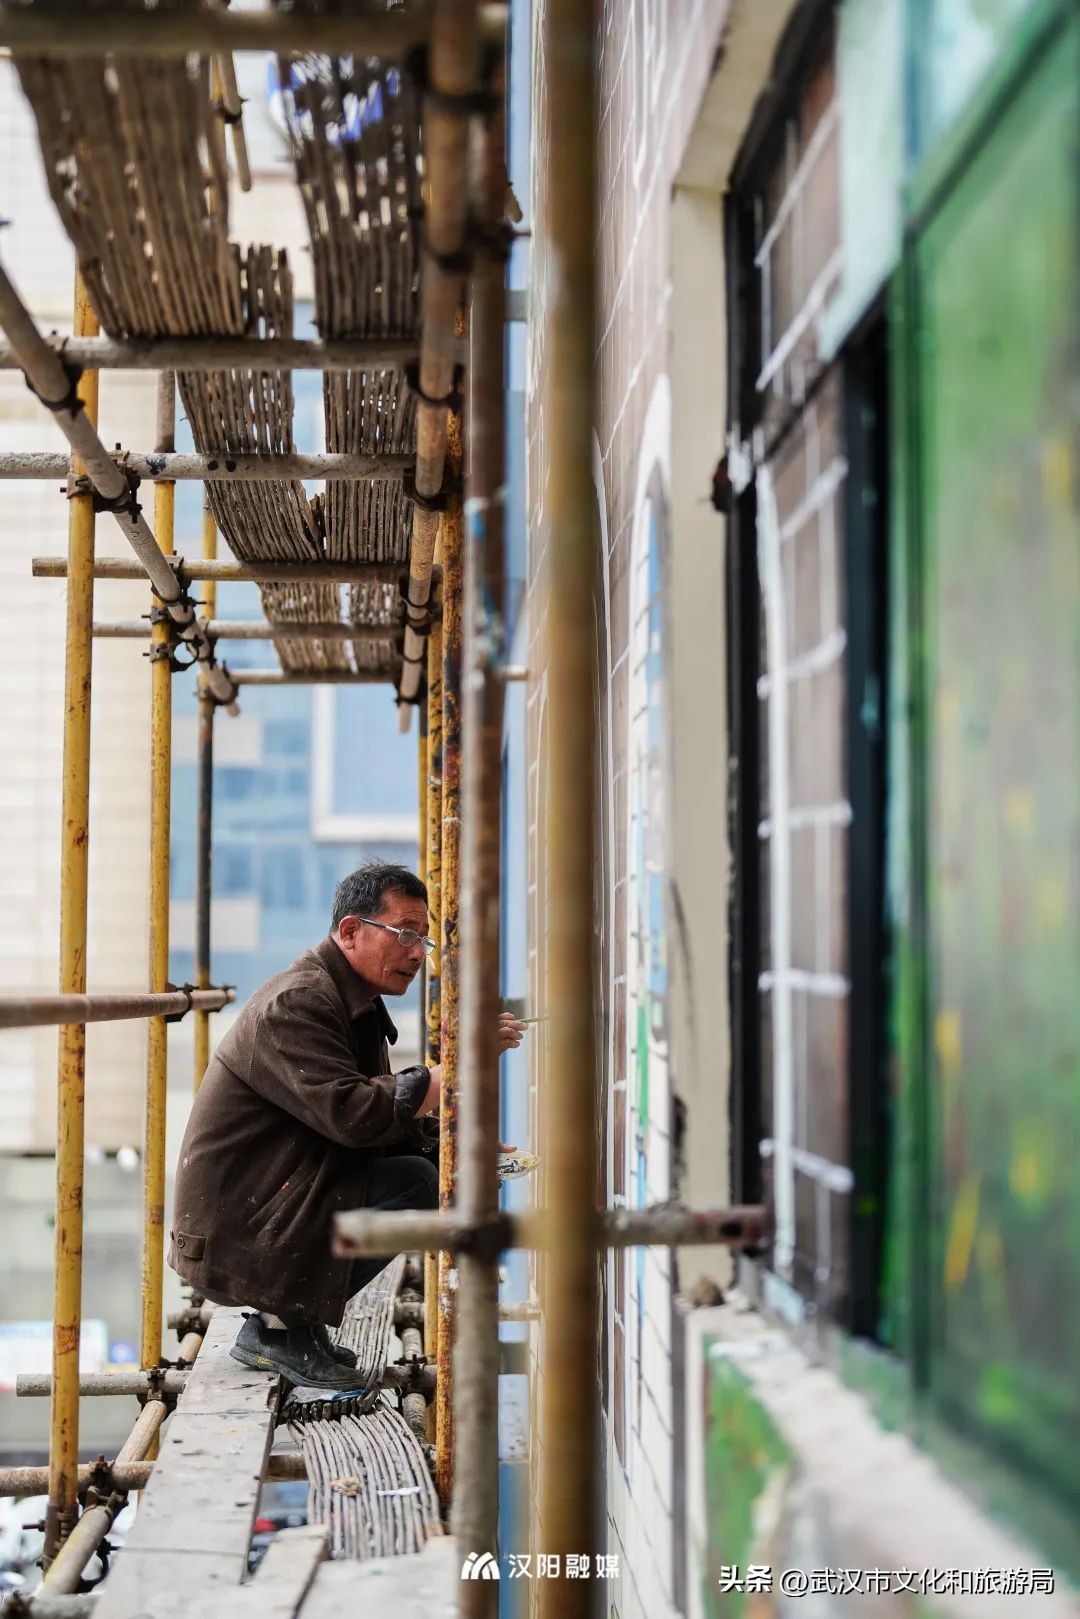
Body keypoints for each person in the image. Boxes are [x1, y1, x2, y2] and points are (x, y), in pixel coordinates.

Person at [168, 859, 524, 1389]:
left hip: (271, 1203)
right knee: (419, 1185)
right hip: (237, 1232)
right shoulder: (299, 1002)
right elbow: (355, 1115)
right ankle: (277, 1329)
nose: (414, 953)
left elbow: (382, 1123)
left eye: (422, 940)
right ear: (351, 931)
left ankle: (295, 1324)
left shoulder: (345, 1001)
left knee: (435, 1166)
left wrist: (454, 1144)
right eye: (404, 932)